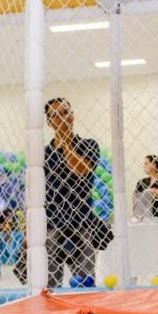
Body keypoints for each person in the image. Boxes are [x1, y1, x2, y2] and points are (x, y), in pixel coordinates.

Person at [44, 97, 101, 288]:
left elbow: (81, 170)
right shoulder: (43, 154)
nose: (62, 117)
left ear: (73, 116)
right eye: (56, 115)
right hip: (52, 225)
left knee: (84, 282)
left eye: (65, 112)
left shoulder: (89, 145)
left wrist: (67, 143)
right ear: (49, 122)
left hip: (81, 223)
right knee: (51, 285)